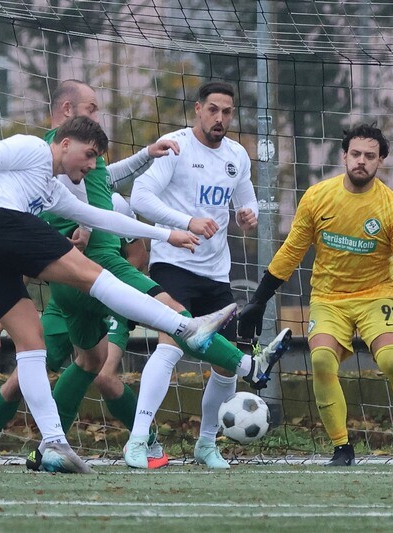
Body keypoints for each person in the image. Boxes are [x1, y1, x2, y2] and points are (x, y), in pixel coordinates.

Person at [0, 81, 278, 473]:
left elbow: (105, 217)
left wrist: (165, 233)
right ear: (65, 141)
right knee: (93, 275)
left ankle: (52, 443)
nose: (91, 166)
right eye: (88, 156)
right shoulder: (34, 148)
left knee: (33, 346)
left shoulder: (54, 192)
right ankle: (188, 329)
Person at [238, 123, 393, 466]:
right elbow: (291, 251)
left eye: (370, 156)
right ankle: (342, 447)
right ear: (344, 156)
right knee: (322, 362)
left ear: (380, 161)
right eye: (355, 154)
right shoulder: (317, 197)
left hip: (376, 296)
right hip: (329, 299)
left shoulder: (392, 207)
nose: (361, 161)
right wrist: (258, 300)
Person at [124, 81, 292, 469]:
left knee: (225, 363)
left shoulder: (237, 155)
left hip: (216, 273)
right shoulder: (175, 147)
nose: (220, 118)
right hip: (172, 264)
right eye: (213, 109)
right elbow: (140, 197)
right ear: (198, 109)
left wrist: (248, 213)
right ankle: (137, 440)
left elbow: (246, 199)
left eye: (227, 112)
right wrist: (187, 222)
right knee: (169, 346)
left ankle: (206, 444)